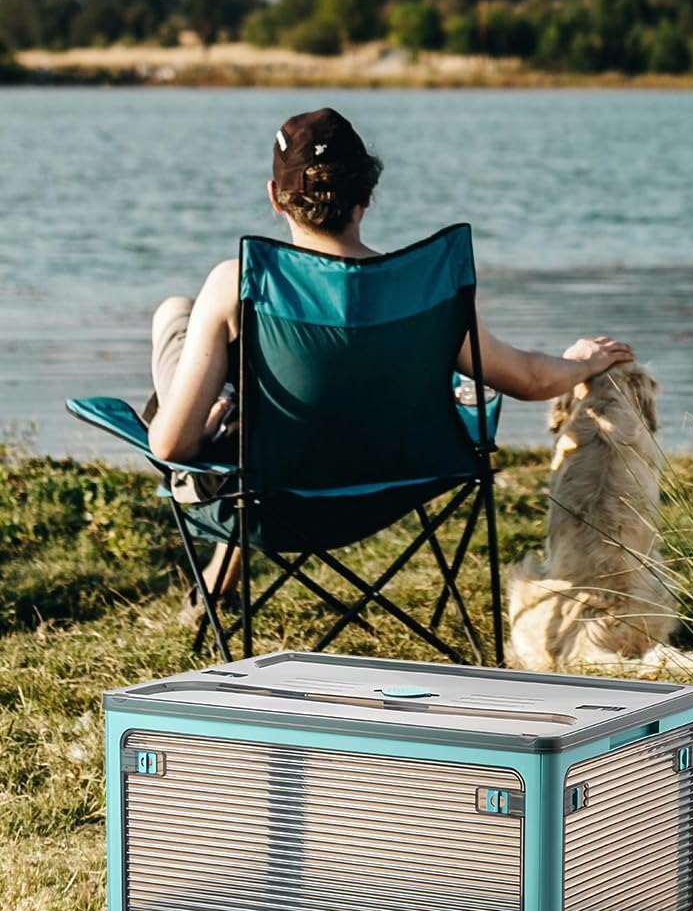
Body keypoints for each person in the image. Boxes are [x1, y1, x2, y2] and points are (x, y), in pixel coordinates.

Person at [148, 107, 634, 610]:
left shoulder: (238, 281)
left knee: (177, 315)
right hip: (392, 492)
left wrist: (204, 427)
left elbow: (172, 445)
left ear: (275, 198)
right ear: (367, 197)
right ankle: (217, 572)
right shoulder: (425, 288)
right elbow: (530, 379)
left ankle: (222, 411)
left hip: (268, 498)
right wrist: (580, 362)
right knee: (274, 411)